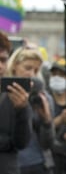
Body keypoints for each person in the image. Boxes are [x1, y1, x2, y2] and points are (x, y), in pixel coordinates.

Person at [5, 46, 55, 174]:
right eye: (27, 68)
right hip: (9, 163)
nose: (31, 74)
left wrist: (47, 121)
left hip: (37, 163)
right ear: (14, 66)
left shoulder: (43, 97)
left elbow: (48, 142)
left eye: (36, 70)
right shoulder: (3, 95)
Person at [0, 32, 32, 174]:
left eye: (3, 60)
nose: (0, 66)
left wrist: (22, 110)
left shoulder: (14, 95)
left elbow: (21, 143)